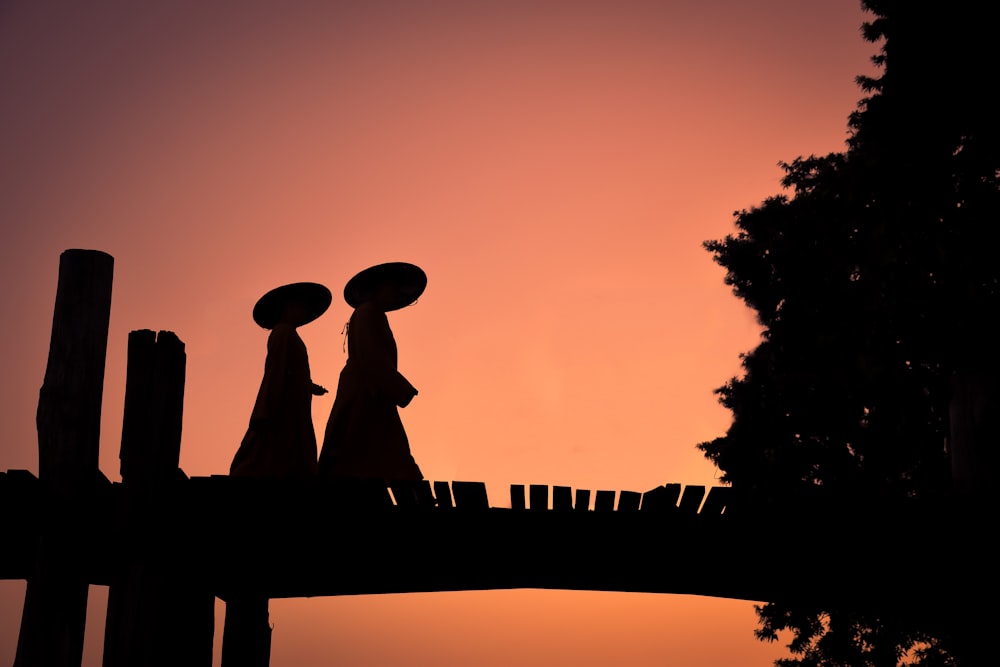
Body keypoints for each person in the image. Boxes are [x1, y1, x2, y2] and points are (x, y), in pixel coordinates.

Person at [318, 262, 426, 481]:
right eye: (393, 288)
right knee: (372, 446)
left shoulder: (371, 313)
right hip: (366, 391)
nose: (396, 294)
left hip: (372, 389)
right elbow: (370, 356)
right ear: (380, 288)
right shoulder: (368, 312)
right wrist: (400, 388)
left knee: (370, 448)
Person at [230, 282, 331, 479]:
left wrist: (308, 386)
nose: (304, 312)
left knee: (290, 449)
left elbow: (291, 371)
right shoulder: (283, 332)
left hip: (292, 404)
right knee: (270, 449)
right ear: (287, 307)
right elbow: (276, 371)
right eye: (301, 307)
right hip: (281, 405)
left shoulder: (289, 333)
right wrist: (266, 408)